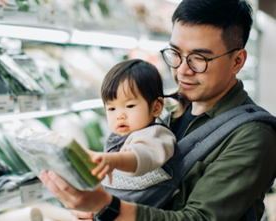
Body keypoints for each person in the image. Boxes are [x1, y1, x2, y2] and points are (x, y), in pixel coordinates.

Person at [40, 0, 276, 220]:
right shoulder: (167, 109)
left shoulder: (254, 135)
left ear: (238, 61)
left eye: (199, 58)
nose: (183, 70)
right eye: (175, 53)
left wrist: (108, 206)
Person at [89, 59, 178, 208]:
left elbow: (140, 156)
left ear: (156, 107)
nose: (119, 115)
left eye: (129, 106)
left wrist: (116, 160)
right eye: (111, 109)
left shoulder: (157, 134)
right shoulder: (117, 137)